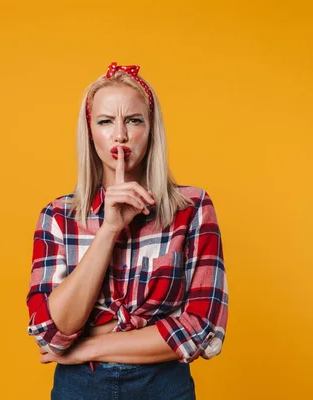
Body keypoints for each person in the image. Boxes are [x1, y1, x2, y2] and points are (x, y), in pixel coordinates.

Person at [26, 62, 228, 400]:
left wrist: (84, 349)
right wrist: (109, 228)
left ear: (151, 129)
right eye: (105, 121)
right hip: (80, 390)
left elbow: (201, 330)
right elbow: (50, 332)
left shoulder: (192, 208)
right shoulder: (58, 216)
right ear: (90, 132)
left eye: (134, 120)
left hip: (164, 388)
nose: (120, 134)